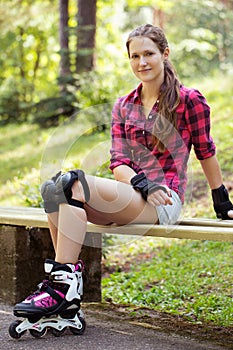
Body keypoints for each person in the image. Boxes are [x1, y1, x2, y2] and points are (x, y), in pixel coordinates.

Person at [9, 24, 233, 339]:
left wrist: (221, 202)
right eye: (135, 56)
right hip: (133, 192)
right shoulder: (124, 105)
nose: (142, 62)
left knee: (73, 183)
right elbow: (119, 162)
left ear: (165, 54)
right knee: (55, 189)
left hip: (165, 200)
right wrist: (142, 184)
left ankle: (60, 291)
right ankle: (66, 297)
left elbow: (206, 152)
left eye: (149, 54)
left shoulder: (188, 99)